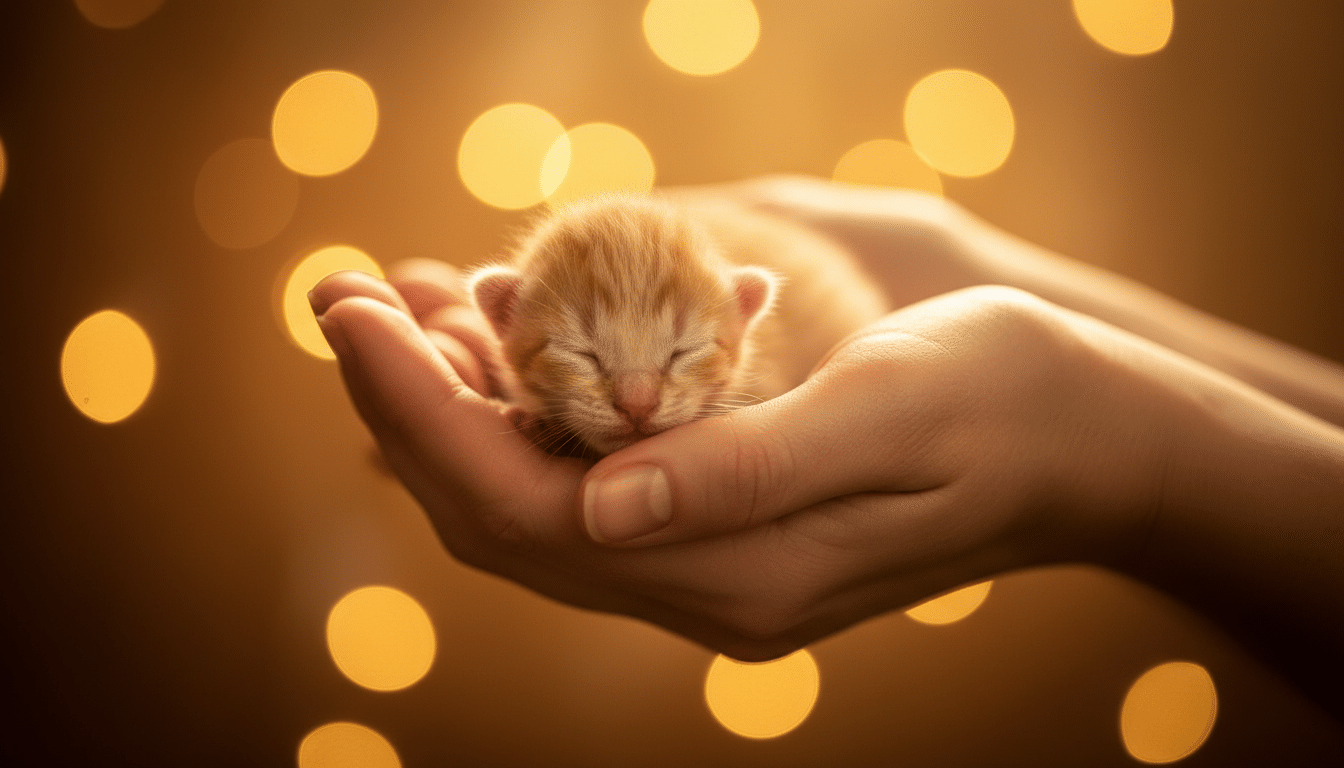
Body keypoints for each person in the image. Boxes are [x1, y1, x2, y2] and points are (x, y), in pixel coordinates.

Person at [308, 176, 1344, 719]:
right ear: (504, 318)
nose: (633, 405)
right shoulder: (597, 337)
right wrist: (954, 262)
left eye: (679, 359)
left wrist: (1141, 459)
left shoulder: (774, 324)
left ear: (744, 319)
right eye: (580, 357)